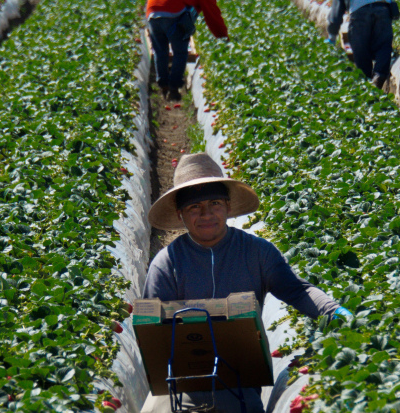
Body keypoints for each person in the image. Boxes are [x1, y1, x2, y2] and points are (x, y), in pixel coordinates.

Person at [141, 153, 352, 413]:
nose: (206, 214)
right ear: (180, 213)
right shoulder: (167, 263)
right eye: (194, 207)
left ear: (228, 206)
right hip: (181, 385)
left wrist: (334, 312)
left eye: (215, 203)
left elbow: (297, 291)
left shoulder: (256, 252)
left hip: (240, 382)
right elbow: (150, 326)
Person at [147, 0, 228, 101]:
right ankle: (173, 87)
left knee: (160, 50)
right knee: (180, 51)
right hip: (171, 12)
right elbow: (213, 13)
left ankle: (163, 85)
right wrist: (222, 36)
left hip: (152, 12)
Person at [326, 0, 398, 90]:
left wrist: (332, 38)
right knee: (383, 43)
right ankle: (379, 75)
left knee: (360, 46)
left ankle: (366, 80)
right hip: (382, 3)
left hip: (360, 8)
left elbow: (335, 16)